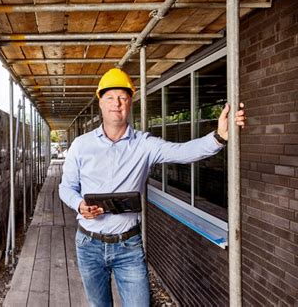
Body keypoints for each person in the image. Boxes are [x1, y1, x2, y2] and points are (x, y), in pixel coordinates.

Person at [58, 68, 246, 307]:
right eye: (110, 98)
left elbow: (183, 152)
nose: (117, 103)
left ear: (130, 103)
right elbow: (66, 188)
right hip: (89, 245)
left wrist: (219, 137)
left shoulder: (144, 144)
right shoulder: (81, 145)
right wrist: (80, 204)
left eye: (123, 98)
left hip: (128, 246)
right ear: (101, 103)